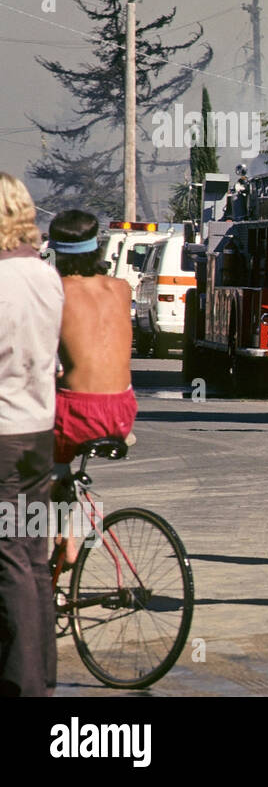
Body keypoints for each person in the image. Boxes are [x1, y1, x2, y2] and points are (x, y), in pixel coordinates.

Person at [0, 173, 64, 696]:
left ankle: (22, 684)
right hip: (40, 433)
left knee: (9, 557)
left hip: (3, 436)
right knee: (34, 554)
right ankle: (42, 673)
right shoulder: (47, 276)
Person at [47, 210, 137, 566]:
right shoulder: (121, 288)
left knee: (27, 462)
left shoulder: (56, 291)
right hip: (122, 409)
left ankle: (62, 537)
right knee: (60, 469)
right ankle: (65, 527)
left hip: (77, 413)